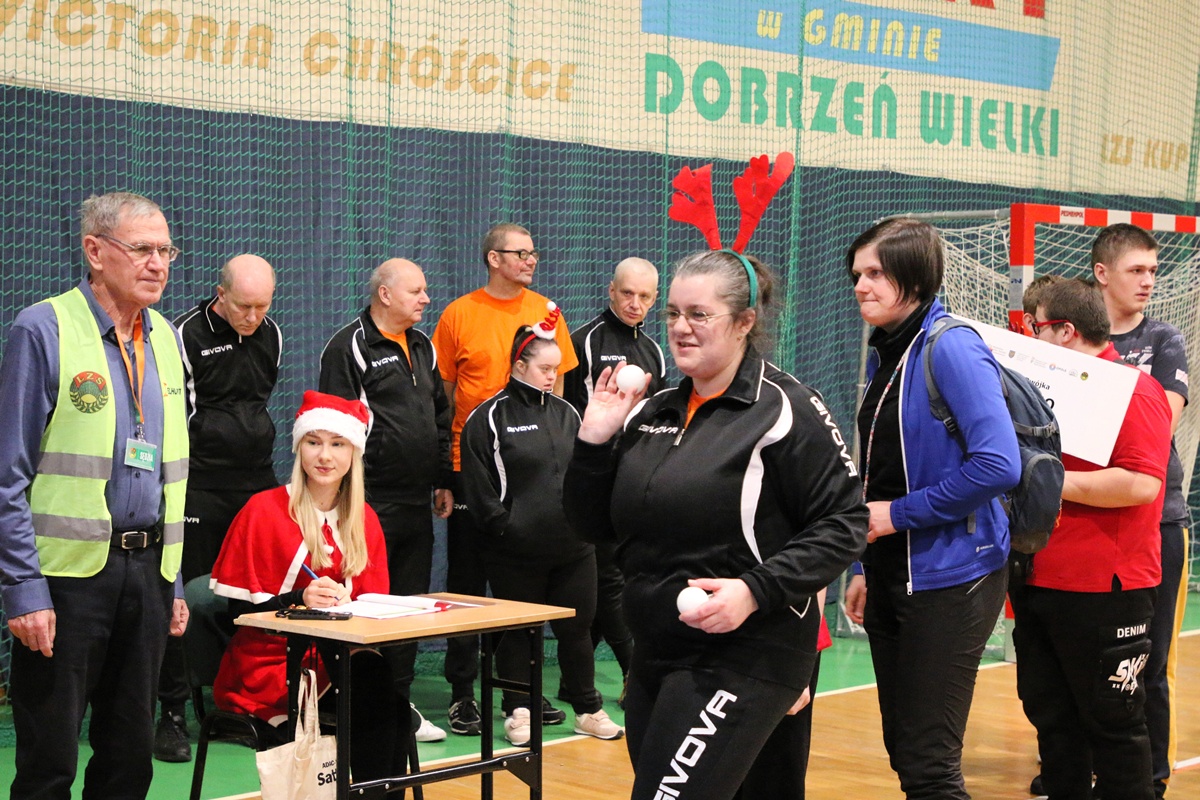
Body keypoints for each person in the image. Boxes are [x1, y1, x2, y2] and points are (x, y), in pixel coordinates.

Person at [563, 248, 867, 799]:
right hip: (656, 648)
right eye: (674, 313)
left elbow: (845, 522)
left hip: (745, 653)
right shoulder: (653, 409)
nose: (681, 327)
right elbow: (593, 526)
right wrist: (594, 439)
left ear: (745, 321)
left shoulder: (786, 409)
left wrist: (753, 591)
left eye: (699, 314)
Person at [0, 191, 189, 799]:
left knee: (130, 761)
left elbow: (170, 470)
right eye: (142, 249)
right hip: (67, 581)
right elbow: (7, 475)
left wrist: (172, 581)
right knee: (49, 762)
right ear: (95, 251)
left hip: (149, 574)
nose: (157, 263)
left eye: (166, 251)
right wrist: (24, 589)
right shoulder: (44, 328)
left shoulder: (167, 338)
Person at [842, 218, 1021, 800]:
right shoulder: (886, 351)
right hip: (894, 569)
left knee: (929, 763)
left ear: (915, 278)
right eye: (857, 274)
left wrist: (896, 516)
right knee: (905, 749)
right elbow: (880, 468)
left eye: (875, 273)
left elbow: (999, 465)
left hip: (954, 575)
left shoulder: (952, 347)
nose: (860, 285)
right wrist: (865, 564)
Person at [1017, 278, 1171, 800]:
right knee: (1052, 721)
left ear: (1065, 331)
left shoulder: (1132, 390)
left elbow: (1142, 483)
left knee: (1114, 726)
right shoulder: (1038, 388)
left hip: (1105, 586)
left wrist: (1048, 481)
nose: (1030, 336)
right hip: (1040, 576)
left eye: (1035, 326)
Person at [209, 390, 401, 783]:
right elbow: (237, 615)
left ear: (354, 453)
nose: (325, 456)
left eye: (337, 444)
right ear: (299, 448)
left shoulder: (364, 518)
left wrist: (350, 602)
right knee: (376, 700)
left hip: (338, 657)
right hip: (272, 662)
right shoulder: (262, 510)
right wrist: (299, 598)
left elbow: (373, 610)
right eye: (314, 442)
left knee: (388, 704)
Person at [431, 222, 578, 735]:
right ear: (494, 258)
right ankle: (462, 694)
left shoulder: (547, 313)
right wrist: (444, 475)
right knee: (467, 586)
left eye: (534, 253)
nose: (531, 260)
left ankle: (519, 694)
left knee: (523, 595)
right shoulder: (458, 315)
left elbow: (558, 397)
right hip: (471, 473)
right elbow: (444, 398)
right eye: (521, 253)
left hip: (531, 482)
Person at [460, 320, 624, 746]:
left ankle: (587, 709)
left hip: (574, 549)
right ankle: (519, 710)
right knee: (519, 631)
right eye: (544, 368)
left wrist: (586, 525)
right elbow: (477, 488)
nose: (553, 376)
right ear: (520, 366)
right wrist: (505, 527)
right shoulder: (489, 417)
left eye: (556, 368)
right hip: (514, 553)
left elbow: (585, 471)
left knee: (577, 629)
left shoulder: (568, 413)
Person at [154, 252, 282, 762]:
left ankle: (242, 707)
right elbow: (175, 416)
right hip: (198, 486)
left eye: (262, 306)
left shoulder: (271, 334)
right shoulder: (183, 334)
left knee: (256, 599)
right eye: (243, 306)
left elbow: (258, 404)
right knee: (182, 601)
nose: (253, 317)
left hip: (256, 485)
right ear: (220, 294)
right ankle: (172, 714)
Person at [320, 258, 454, 742]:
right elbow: (333, 429)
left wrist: (443, 478)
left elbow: (440, 415)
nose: (425, 299)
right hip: (367, 501)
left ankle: (399, 701)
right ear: (385, 294)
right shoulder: (349, 346)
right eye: (416, 291)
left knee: (409, 602)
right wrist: (343, 499)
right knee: (365, 603)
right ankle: (353, 701)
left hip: (416, 502)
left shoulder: (422, 346)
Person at [1092, 224, 1189, 800]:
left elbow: (1161, 421)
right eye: (1137, 270)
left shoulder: (1164, 339)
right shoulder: (1078, 334)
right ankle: (1077, 763)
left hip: (1159, 521)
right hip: (1090, 518)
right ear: (1102, 274)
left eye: (1153, 270)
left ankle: (1150, 775)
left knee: (1147, 659)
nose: (1149, 280)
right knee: (1087, 653)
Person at [564, 256, 667, 701]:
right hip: (597, 478)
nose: (634, 303)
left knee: (621, 575)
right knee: (607, 579)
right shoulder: (584, 342)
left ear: (655, 299)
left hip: (638, 478)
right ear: (611, 290)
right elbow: (567, 412)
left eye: (644, 296)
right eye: (627, 293)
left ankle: (574, 680)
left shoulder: (655, 351)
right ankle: (634, 671)